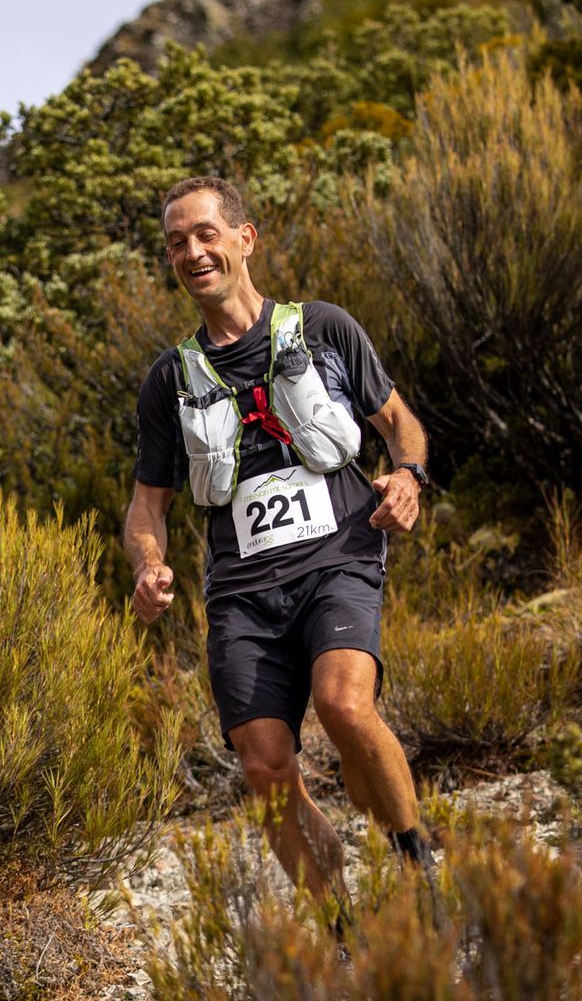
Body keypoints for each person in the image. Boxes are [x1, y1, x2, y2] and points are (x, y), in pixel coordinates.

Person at [123, 174, 432, 899]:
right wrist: (148, 564)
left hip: (338, 560)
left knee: (344, 705)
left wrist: (408, 476)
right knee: (264, 766)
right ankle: (341, 928)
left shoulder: (323, 328)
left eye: (206, 235)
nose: (193, 253)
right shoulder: (170, 380)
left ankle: (419, 873)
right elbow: (147, 505)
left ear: (244, 239)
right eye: (176, 243)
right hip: (242, 594)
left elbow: (399, 423)